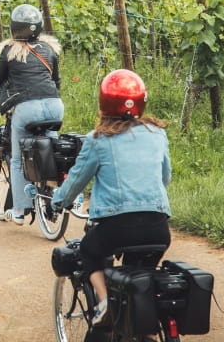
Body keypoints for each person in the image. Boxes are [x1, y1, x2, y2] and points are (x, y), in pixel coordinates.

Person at [50, 69, 172, 327]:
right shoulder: (157, 135)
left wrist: (59, 201)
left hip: (118, 228)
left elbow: (76, 180)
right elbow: (165, 177)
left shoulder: (98, 140)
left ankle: (105, 302)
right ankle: (147, 331)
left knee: (88, 251)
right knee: (141, 281)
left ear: (103, 103)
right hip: (158, 228)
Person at [0, 3, 63, 225]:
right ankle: (56, 197)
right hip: (55, 105)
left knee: (16, 158)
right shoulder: (50, 50)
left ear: (14, 27)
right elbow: (56, 81)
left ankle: (20, 210)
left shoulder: (9, 52)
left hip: (26, 109)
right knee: (53, 152)